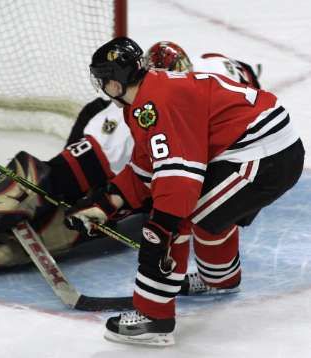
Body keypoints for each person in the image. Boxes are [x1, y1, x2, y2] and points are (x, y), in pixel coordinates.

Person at [0, 41, 262, 295]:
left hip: (113, 126)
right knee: (65, 204)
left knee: (71, 203)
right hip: (113, 139)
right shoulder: (203, 86)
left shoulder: (200, 72)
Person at [64, 36, 304, 346]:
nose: (102, 86)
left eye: (104, 79)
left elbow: (178, 180)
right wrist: (103, 205)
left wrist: (161, 227)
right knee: (200, 210)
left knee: (174, 219)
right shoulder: (144, 100)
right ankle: (219, 279)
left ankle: (154, 318)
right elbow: (146, 168)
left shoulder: (155, 102)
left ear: (117, 80)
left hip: (265, 157)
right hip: (257, 149)